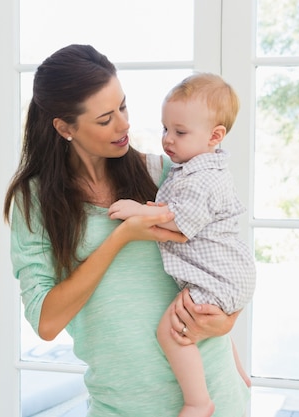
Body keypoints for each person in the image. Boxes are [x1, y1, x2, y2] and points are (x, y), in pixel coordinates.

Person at [3, 44, 250, 417]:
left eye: (123, 106)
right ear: (64, 127)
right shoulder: (35, 200)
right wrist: (121, 237)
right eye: (105, 119)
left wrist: (227, 318)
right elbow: (46, 321)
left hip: (216, 398)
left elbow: (222, 258)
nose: (124, 125)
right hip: (123, 405)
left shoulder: (168, 174)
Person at [108, 73, 256, 417]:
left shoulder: (203, 178)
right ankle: (240, 375)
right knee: (204, 320)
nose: (167, 140)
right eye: (165, 129)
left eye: (180, 132)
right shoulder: (192, 167)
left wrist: (137, 210)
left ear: (214, 137)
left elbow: (179, 223)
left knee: (172, 330)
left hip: (219, 277)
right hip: (223, 272)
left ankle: (198, 401)